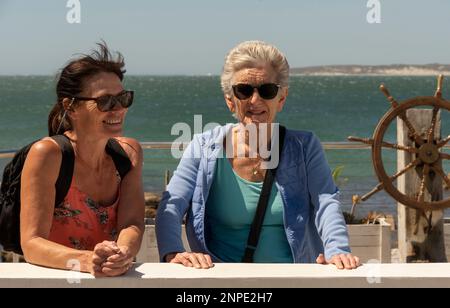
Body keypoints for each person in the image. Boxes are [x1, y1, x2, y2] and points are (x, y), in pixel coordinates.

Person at [156, 41, 359, 270]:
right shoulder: (203, 148)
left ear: (281, 99)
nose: (255, 100)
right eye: (244, 90)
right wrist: (173, 252)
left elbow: (326, 201)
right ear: (230, 101)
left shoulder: (305, 147)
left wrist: (337, 251)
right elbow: (171, 204)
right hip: (222, 281)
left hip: (293, 280)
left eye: (267, 90)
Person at [20, 42, 145, 277]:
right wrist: (88, 261)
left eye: (124, 98)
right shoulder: (47, 154)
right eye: (105, 101)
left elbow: (132, 223)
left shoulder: (129, 153)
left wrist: (122, 253)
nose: (118, 109)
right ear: (71, 106)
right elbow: (32, 243)